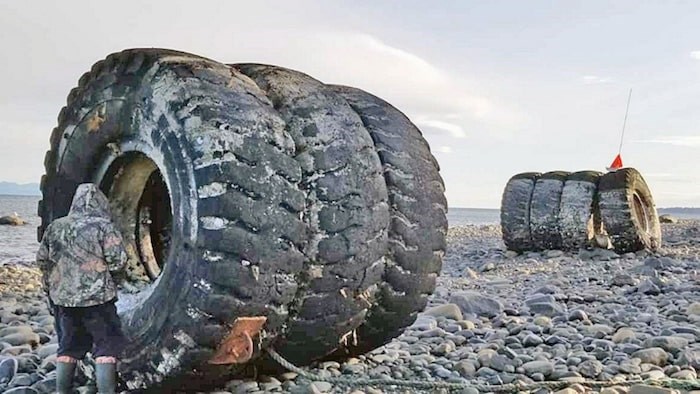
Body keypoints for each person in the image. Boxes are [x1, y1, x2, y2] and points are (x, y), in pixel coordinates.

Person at [36, 183, 128, 394]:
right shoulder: (104, 226)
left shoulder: (56, 226)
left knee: (67, 347)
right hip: (98, 300)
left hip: (63, 300)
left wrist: (53, 286)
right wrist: (113, 280)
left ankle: (62, 391)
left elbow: (42, 261)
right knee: (106, 346)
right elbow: (118, 261)